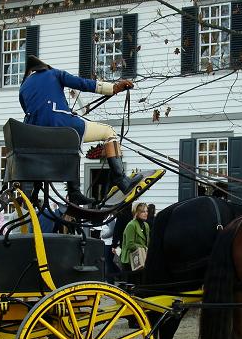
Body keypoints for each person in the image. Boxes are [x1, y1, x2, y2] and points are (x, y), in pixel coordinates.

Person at [19, 55, 140, 205]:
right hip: (62, 125)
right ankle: (120, 179)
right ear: (45, 67)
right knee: (109, 132)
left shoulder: (23, 86)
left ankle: (46, 191)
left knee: (71, 147)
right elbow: (82, 84)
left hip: (36, 134)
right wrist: (113, 88)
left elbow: (31, 110)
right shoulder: (54, 73)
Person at [120, 202, 150, 284]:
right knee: (132, 285)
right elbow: (130, 245)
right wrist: (143, 248)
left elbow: (147, 242)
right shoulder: (131, 225)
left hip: (142, 259)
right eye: (143, 212)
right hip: (130, 261)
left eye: (146, 211)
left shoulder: (146, 225)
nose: (146, 213)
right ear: (136, 212)